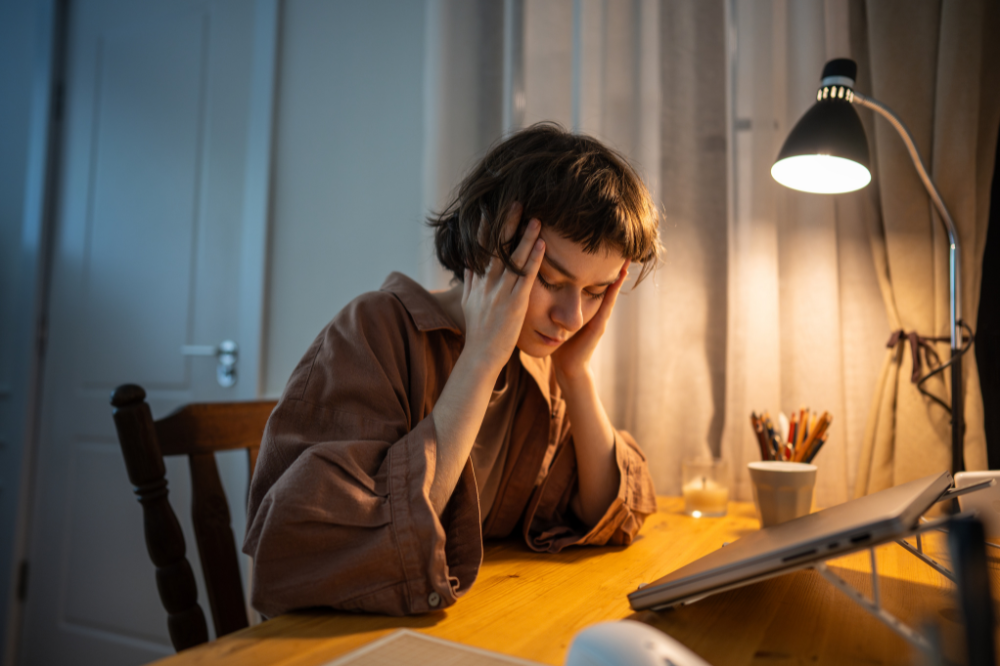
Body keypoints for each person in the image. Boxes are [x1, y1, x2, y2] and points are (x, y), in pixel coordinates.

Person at [243, 122, 662, 618]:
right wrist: (481, 357)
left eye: (595, 293)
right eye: (551, 280)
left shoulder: (541, 365)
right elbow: (304, 549)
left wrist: (576, 374)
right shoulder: (374, 332)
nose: (572, 318)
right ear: (485, 246)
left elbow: (609, 511)